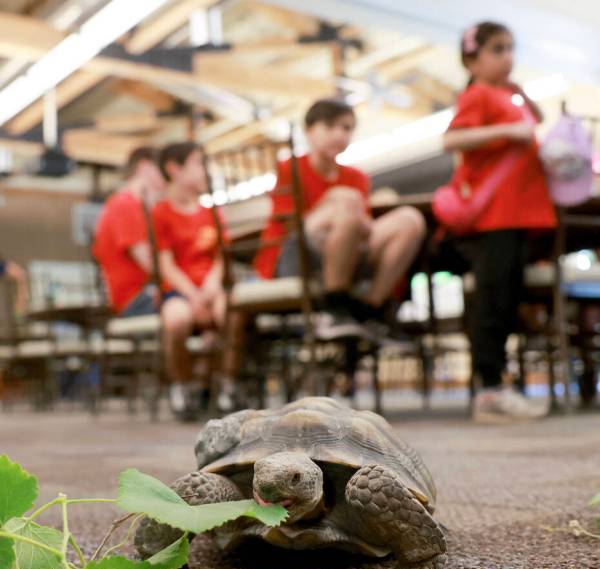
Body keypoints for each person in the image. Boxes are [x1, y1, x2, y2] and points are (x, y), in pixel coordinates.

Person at [441, 21, 555, 423]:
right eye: (497, 49)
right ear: (472, 58)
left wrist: (520, 95)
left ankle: (496, 386)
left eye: (511, 48)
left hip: (515, 212)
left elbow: (536, 121)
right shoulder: (478, 94)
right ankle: (489, 389)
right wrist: (509, 126)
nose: (507, 57)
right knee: (493, 300)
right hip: (494, 215)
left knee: (506, 300)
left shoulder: (504, 94)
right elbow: (450, 140)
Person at [253, 98, 426, 340]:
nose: (339, 135)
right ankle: (335, 307)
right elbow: (290, 223)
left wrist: (348, 212)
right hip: (299, 256)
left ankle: (372, 309)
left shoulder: (357, 177)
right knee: (345, 200)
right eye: (330, 126)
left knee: (410, 219)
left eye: (346, 128)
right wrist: (336, 204)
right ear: (309, 131)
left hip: (349, 250)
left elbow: (361, 229)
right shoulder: (290, 168)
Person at [153, 142, 243, 418]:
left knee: (232, 313)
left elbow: (220, 259)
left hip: (212, 289)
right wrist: (192, 295)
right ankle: (182, 385)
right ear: (174, 169)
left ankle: (227, 383)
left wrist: (211, 287)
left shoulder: (212, 213)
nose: (206, 170)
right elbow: (166, 265)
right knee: (176, 320)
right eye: (198, 163)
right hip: (180, 292)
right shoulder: (161, 213)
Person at [93, 147, 165, 316]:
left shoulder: (137, 206)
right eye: (161, 169)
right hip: (135, 300)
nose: (166, 177)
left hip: (142, 295)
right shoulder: (125, 205)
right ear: (144, 166)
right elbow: (150, 264)